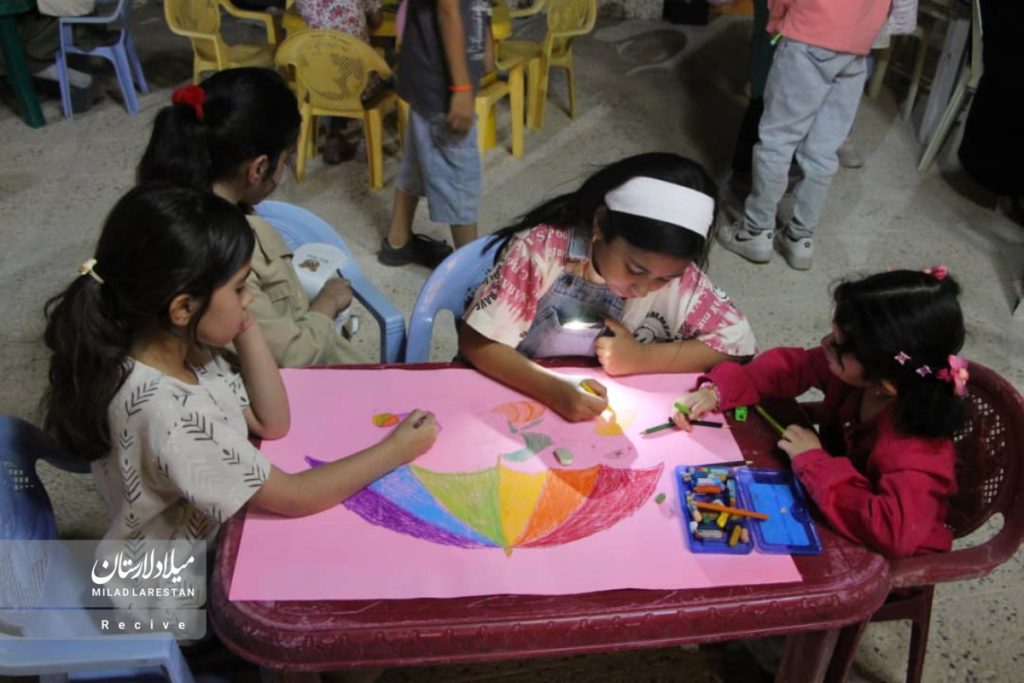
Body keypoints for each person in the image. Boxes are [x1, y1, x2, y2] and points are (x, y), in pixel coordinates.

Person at [41, 184, 439, 549]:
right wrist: (396, 450)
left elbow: (272, 422)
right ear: (183, 307)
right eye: (239, 288)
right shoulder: (171, 416)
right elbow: (296, 497)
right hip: (177, 586)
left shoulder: (180, 346)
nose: (249, 298)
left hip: (212, 535)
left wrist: (243, 323)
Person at [672, 268, 969, 558]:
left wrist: (813, 461)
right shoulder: (865, 374)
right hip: (829, 500)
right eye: (832, 334)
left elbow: (892, 532)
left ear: (884, 384)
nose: (825, 344)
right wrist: (719, 390)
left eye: (838, 345)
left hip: (881, 556)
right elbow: (792, 367)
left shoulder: (915, 453)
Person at [459, 152, 758, 423]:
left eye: (664, 279)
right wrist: (552, 389)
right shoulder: (541, 249)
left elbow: (737, 342)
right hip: (511, 394)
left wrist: (642, 358)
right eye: (635, 270)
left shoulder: (681, 277)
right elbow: (476, 344)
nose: (644, 289)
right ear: (601, 223)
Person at [137, 68, 363, 367]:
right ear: (258, 169)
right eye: (287, 159)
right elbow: (291, 355)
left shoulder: (167, 203)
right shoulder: (223, 256)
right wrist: (329, 301)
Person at [717, 0, 889, 270]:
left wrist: (776, 21)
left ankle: (756, 231)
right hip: (857, 48)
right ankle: (800, 237)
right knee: (823, 150)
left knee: (778, 140)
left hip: (809, 36)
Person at [376, 0, 491, 268]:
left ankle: (398, 241)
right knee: (459, 178)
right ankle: (469, 275)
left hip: (431, 73)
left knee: (417, 158)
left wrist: (485, 39)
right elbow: (447, 9)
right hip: (442, 82)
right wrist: (461, 88)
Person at [294, 0, 384, 163]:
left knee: (331, 70)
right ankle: (366, 141)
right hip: (358, 86)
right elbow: (377, 21)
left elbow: (299, 13)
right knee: (381, 73)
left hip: (317, 84)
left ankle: (333, 137)